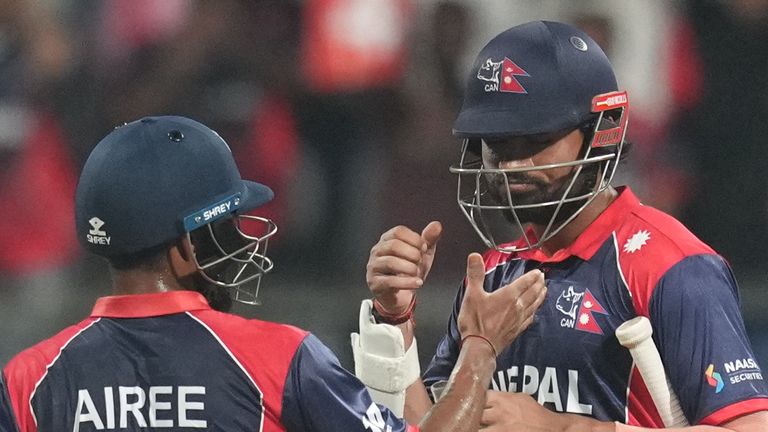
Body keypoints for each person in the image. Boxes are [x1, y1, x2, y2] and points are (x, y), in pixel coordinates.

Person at [0, 116, 547, 431]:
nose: (243, 241)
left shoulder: (27, 379)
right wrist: (480, 346)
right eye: (230, 224)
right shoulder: (279, 358)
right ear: (188, 248)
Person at [353, 20, 768, 431]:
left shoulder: (672, 267)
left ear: (600, 132)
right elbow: (428, 426)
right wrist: (395, 320)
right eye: (497, 144)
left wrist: (562, 428)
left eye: (536, 141)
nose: (513, 165)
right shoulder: (493, 273)